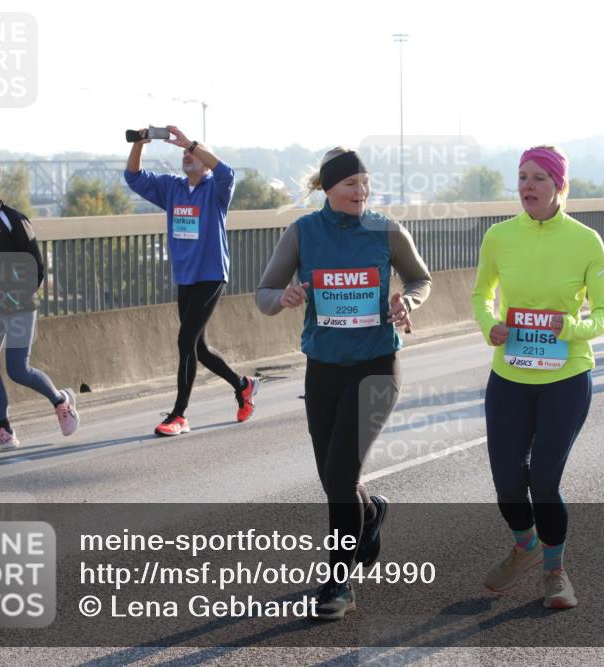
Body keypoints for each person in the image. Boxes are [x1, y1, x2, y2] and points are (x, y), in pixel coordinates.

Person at [256, 147, 431, 621]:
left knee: (339, 478)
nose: (361, 192)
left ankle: (339, 581)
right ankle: (369, 512)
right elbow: (263, 296)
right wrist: (286, 295)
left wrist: (407, 303)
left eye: (365, 183)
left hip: (377, 364)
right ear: (329, 188)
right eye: (351, 184)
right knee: (333, 479)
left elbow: (420, 279)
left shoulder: (385, 229)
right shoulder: (302, 232)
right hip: (324, 369)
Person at [472, 145, 604, 610]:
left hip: (566, 376)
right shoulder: (498, 236)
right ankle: (525, 546)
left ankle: (555, 572)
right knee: (508, 483)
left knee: (544, 483)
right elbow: (481, 294)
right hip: (510, 375)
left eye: (538, 179)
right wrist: (487, 324)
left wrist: (571, 327)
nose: (527, 186)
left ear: (560, 187)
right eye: (522, 177)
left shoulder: (585, 241)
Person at [125, 126, 259, 436]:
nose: (187, 156)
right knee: (198, 347)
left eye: (193, 154)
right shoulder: (172, 188)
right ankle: (243, 385)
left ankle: (179, 415)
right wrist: (139, 145)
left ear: (204, 158)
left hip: (211, 274)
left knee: (185, 341)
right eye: (184, 154)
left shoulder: (217, 188)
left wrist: (191, 143)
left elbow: (226, 171)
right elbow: (134, 177)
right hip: (185, 275)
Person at [0, 167, 80, 452]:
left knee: (18, 369)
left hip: (19, 307)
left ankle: (60, 401)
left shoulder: (14, 220)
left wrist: (13, 299)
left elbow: (36, 268)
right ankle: (4, 431)